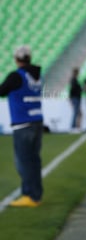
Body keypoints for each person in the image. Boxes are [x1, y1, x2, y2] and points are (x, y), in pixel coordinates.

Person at [0, 45, 43, 207]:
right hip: (37, 121)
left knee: (24, 162)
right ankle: (36, 195)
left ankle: (29, 195)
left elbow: (2, 90)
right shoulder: (38, 76)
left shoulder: (16, 76)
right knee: (34, 161)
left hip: (22, 123)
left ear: (17, 59)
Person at [68, 67, 82, 133]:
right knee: (76, 112)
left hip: (75, 97)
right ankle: (73, 127)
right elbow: (73, 90)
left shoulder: (74, 80)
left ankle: (76, 127)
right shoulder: (74, 80)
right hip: (75, 98)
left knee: (78, 113)